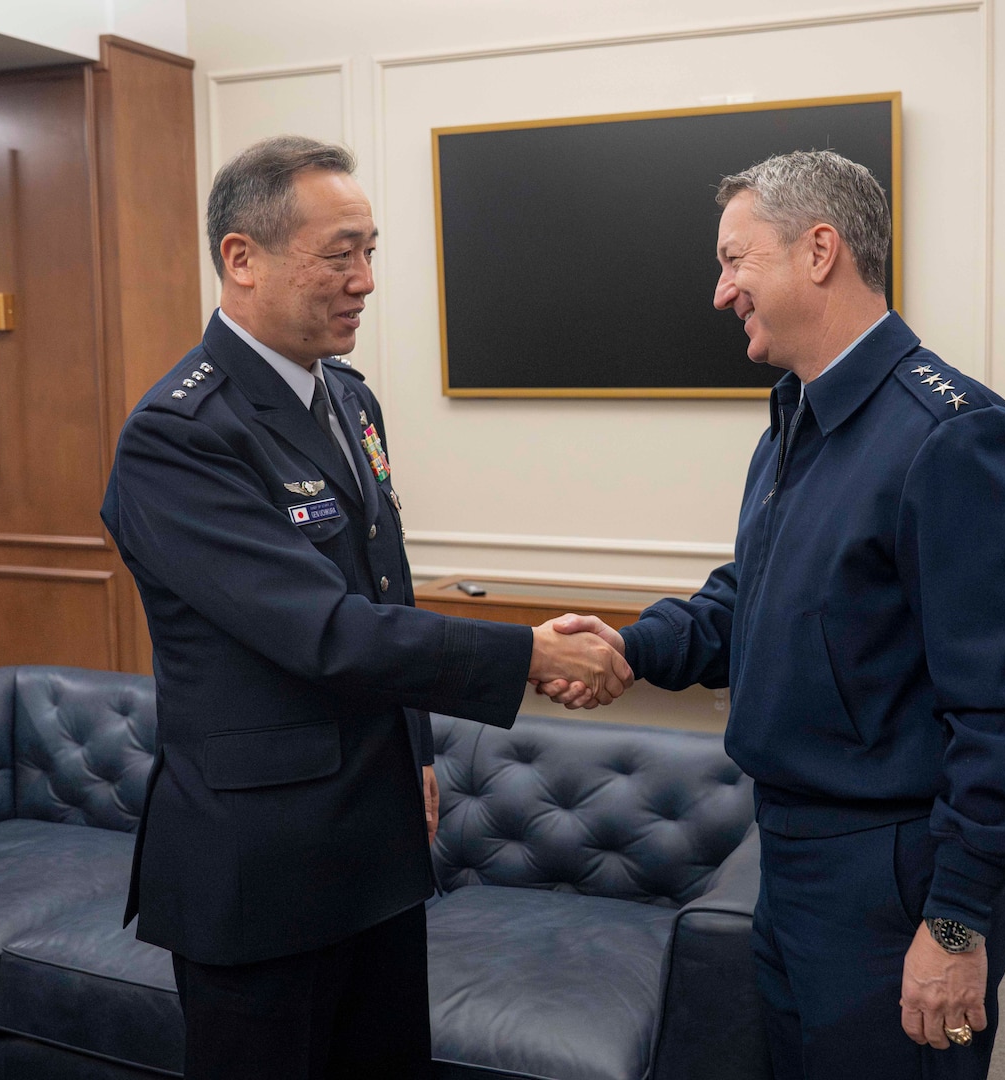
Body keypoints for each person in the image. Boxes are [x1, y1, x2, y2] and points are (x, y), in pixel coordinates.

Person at [100, 135, 630, 1080]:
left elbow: (380, 586)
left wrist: (415, 752)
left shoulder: (348, 400)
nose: (365, 281)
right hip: (260, 868)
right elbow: (324, 631)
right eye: (338, 254)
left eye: (370, 251)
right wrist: (530, 656)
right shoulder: (178, 437)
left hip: (374, 840)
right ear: (240, 257)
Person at [544, 150, 1005, 1079]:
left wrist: (954, 923)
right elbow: (752, 598)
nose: (721, 291)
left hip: (894, 874)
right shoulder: (797, 414)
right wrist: (631, 647)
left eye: (734, 260)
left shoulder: (952, 439)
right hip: (788, 850)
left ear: (819, 249)